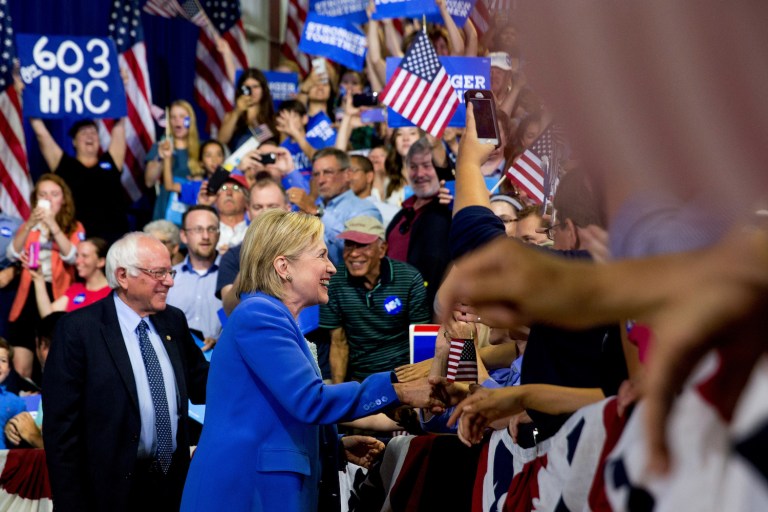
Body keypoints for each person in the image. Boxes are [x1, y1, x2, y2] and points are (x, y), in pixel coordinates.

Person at [180, 210, 449, 512]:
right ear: (284, 266)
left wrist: (332, 448)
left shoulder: (274, 318)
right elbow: (309, 400)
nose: (332, 267)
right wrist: (397, 390)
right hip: (243, 493)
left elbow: (277, 413)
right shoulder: (260, 316)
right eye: (321, 255)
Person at [43, 233, 209, 511]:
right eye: (158, 273)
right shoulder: (78, 330)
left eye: (169, 272)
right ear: (123, 276)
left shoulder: (173, 320)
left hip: (173, 488)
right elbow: (61, 430)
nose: (169, 281)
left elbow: (203, 383)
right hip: (107, 494)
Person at [320, 215, 430, 383]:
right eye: (349, 244)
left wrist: (417, 384)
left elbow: (421, 339)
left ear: (382, 249)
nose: (354, 253)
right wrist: (338, 392)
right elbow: (338, 343)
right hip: (361, 379)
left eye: (363, 245)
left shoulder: (409, 278)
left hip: (404, 376)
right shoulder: (334, 282)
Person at [6, 174, 85, 379]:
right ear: (36, 200)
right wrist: (30, 224)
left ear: (63, 199)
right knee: (21, 363)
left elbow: (73, 256)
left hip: (57, 294)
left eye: (54, 194)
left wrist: (53, 225)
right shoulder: (30, 226)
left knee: (54, 354)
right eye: (43, 195)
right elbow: (11, 254)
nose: (48, 199)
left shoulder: (74, 227)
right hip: (28, 291)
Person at [29, 118, 129, 244]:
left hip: (114, 238)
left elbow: (119, 127)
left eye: (93, 132)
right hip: (76, 239)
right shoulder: (64, 165)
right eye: (84, 133)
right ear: (74, 141)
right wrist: (32, 110)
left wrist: (119, 109)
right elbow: (42, 135)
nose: (89, 136)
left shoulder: (111, 162)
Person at [386, 138, 453, 316]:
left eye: (427, 165)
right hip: (395, 309)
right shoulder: (402, 213)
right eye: (413, 167)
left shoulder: (449, 209)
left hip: (433, 311)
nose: (420, 173)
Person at [287, 147, 382, 266]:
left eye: (328, 172)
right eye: (316, 174)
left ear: (347, 174)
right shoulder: (312, 209)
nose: (321, 180)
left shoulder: (365, 209)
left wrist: (317, 211)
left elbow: (358, 250)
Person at [216, 177, 292, 314]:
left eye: (273, 206)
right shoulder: (232, 256)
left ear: (288, 209)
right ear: (248, 213)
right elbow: (229, 308)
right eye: (258, 207)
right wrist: (252, 259)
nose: (265, 213)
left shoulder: (307, 247)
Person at [166, 206, 222, 351]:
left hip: (219, 358)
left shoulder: (233, 277)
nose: (205, 236)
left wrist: (221, 340)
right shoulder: (169, 278)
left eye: (211, 229)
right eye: (198, 229)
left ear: (219, 234)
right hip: (178, 358)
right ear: (184, 236)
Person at [145, 100, 203, 224]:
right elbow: (149, 181)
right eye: (173, 117)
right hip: (165, 212)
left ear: (190, 120)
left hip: (193, 212)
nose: (177, 121)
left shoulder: (202, 148)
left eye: (182, 116)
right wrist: (160, 156)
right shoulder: (160, 146)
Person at [30, 238, 110, 317]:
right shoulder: (76, 289)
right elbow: (49, 315)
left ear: (101, 262)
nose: (77, 261)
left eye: (85, 256)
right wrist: (38, 278)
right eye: (77, 255)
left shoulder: (112, 292)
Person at [218, 68, 278, 151]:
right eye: (247, 87)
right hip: (239, 158)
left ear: (263, 89)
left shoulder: (273, 117)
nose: (251, 91)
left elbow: (268, 141)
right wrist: (237, 112)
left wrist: (254, 120)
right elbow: (221, 141)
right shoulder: (231, 115)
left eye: (255, 87)